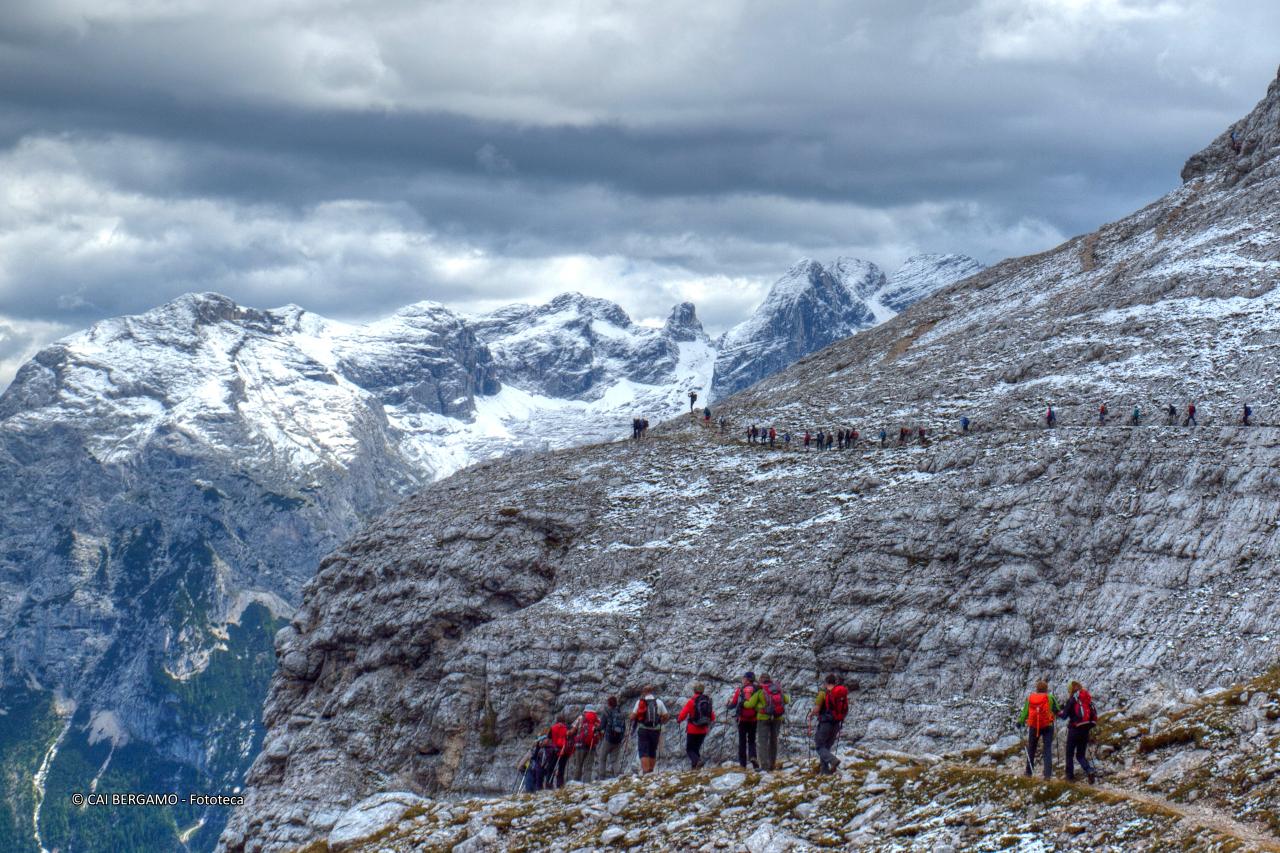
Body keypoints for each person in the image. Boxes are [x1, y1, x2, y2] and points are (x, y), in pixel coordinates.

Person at [744, 674, 788, 771]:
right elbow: (787, 700)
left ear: (761, 681)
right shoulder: (777, 690)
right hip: (777, 718)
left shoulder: (760, 691)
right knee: (773, 741)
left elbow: (749, 705)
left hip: (763, 719)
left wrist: (745, 701)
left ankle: (764, 766)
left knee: (763, 742)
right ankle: (772, 764)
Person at [1019, 680, 1060, 780]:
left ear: (1037, 689)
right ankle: (1047, 775)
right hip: (1048, 726)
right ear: (1046, 689)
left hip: (1034, 726)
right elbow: (1057, 710)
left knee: (1032, 748)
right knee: (1047, 749)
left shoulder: (1031, 698)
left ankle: (1029, 772)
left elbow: (1025, 711)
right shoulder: (1050, 697)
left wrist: (1020, 721)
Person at [1059, 681, 1098, 783]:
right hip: (1085, 729)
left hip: (1074, 730)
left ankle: (1070, 777)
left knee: (1069, 754)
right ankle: (1089, 770)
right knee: (1080, 755)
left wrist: (1056, 711)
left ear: (1070, 690)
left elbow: (1064, 716)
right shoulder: (1086, 699)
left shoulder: (1072, 700)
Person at [811, 674, 846, 774]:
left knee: (819, 746)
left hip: (825, 723)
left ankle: (833, 760)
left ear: (826, 683)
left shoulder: (823, 693)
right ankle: (825, 771)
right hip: (836, 723)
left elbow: (817, 709)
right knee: (826, 747)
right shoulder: (840, 693)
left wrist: (812, 713)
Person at [631, 686, 669, 774]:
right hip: (655, 730)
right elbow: (666, 716)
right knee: (652, 749)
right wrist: (660, 722)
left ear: (644, 692)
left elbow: (632, 717)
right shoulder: (659, 702)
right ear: (652, 691)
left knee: (644, 750)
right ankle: (651, 771)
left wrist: (635, 717)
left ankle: (645, 771)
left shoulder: (640, 702)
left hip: (643, 729)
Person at [677, 683, 715, 769]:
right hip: (703, 730)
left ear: (694, 691)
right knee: (696, 749)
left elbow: (683, 714)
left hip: (692, 729)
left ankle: (697, 762)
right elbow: (712, 717)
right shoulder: (707, 701)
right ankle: (695, 769)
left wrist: (679, 720)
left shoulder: (692, 701)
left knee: (689, 749)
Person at [727, 672, 759, 769]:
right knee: (752, 740)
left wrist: (728, 705)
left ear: (747, 679)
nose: (742, 679)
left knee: (742, 741)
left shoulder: (740, 690)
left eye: (744, 678)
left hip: (742, 719)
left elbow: (733, 704)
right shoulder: (757, 689)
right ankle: (753, 756)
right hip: (754, 719)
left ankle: (743, 764)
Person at [596, 696, 627, 779]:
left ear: (608, 703)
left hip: (608, 738)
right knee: (615, 759)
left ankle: (602, 777)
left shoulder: (606, 712)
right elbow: (624, 726)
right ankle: (618, 775)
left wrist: (596, 729)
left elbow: (602, 726)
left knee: (602, 757)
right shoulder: (619, 712)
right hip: (618, 739)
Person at [569, 705, 602, 782]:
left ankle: (576, 783)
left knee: (578, 765)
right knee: (588, 767)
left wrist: (568, 733)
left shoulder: (581, 717)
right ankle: (586, 783)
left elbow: (573, 730)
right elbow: (601, 732)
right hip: (591, 745)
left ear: (585, 710)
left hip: (580, 745)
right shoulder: (597, 719)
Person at [549, 714, 574, 788]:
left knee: (552, 767)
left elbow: (549, 738)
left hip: (555, 749)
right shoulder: (568, 727)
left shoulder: (553, 727)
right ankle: (560, 784)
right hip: (565, 750)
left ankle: (549, 783)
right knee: (561, 768)